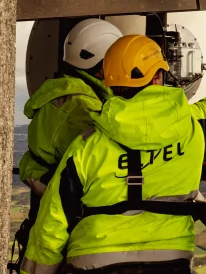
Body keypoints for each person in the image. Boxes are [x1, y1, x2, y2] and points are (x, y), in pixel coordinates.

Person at [21, 34, 206, 274]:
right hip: (171, 260)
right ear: (157, 77)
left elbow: (51, 224)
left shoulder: (87, 146)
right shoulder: (193, 127)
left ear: (110, 82)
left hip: (94, 262)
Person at [9, 19, 123, 274]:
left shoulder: (62, 94)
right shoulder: (84, 107)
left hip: (50, 202)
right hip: (67, 213)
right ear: (102, 66)